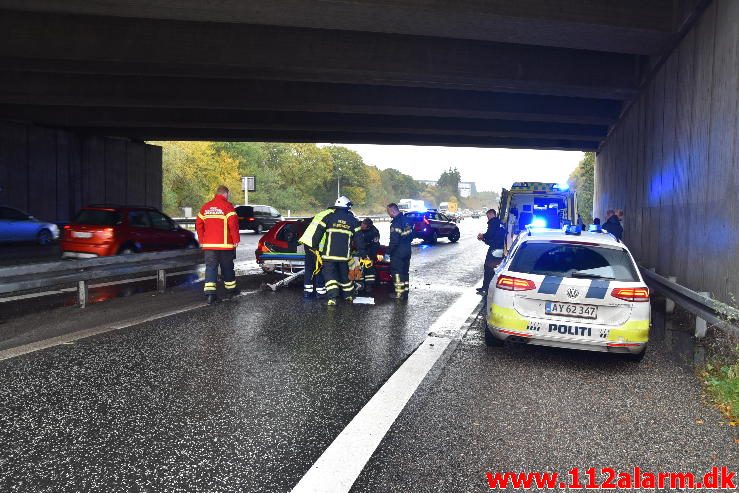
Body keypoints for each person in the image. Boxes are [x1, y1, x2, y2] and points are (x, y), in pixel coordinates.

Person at [299, 196, 360, 306]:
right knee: (344, 275)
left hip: (328, 254)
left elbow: (317, 233)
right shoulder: (352, 220)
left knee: (329, 276)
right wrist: (362, 253)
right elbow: (359, 239)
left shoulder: (328, 217)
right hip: (344, 256)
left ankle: (332, 298)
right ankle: (348, 296)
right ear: (347, 207)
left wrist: (314, 246)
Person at [195, 185, 240, 304]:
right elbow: (233, 225)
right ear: (225, 194)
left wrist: (201, 240)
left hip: (209, 246)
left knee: (210, 268)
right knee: (227, 268)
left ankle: (210, 295)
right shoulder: (228, 207)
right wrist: (236, 239)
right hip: (224, 245)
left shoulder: (205, 207)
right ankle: (231, 291)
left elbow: (198, 224)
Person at [476, 208, 506, 295]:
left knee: (488, 267)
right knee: (493, 268)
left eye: (487, 216)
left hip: (495, 249)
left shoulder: (493, 222)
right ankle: (488, 287)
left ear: (491, 214)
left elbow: (490, 235)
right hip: (500, 248)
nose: (487, 218)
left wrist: (482, 236)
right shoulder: (500, 223)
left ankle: (486, 288)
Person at [387, 202, 413, 300]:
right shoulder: (407, 220)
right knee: (405, 272)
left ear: (392, 211)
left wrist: (388, 252)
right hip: (407, 250)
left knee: (397, 273)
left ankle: (399, 293)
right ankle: (405, 292)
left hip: (398, 252)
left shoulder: (395, 223)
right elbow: (411, 236)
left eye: (388, 212)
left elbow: (394, 241)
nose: (388, 214)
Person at [354, 217, 381, 295]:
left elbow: (375, 245)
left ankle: (369, 286)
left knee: (369, 270)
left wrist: (371, 256)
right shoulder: (357, 226)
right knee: (357, 268)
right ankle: (359, 286)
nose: (362, 226)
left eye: (364, 226)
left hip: (369, 252)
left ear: (369, 227)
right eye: (362, 224)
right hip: (358, 252)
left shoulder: (374, 232)